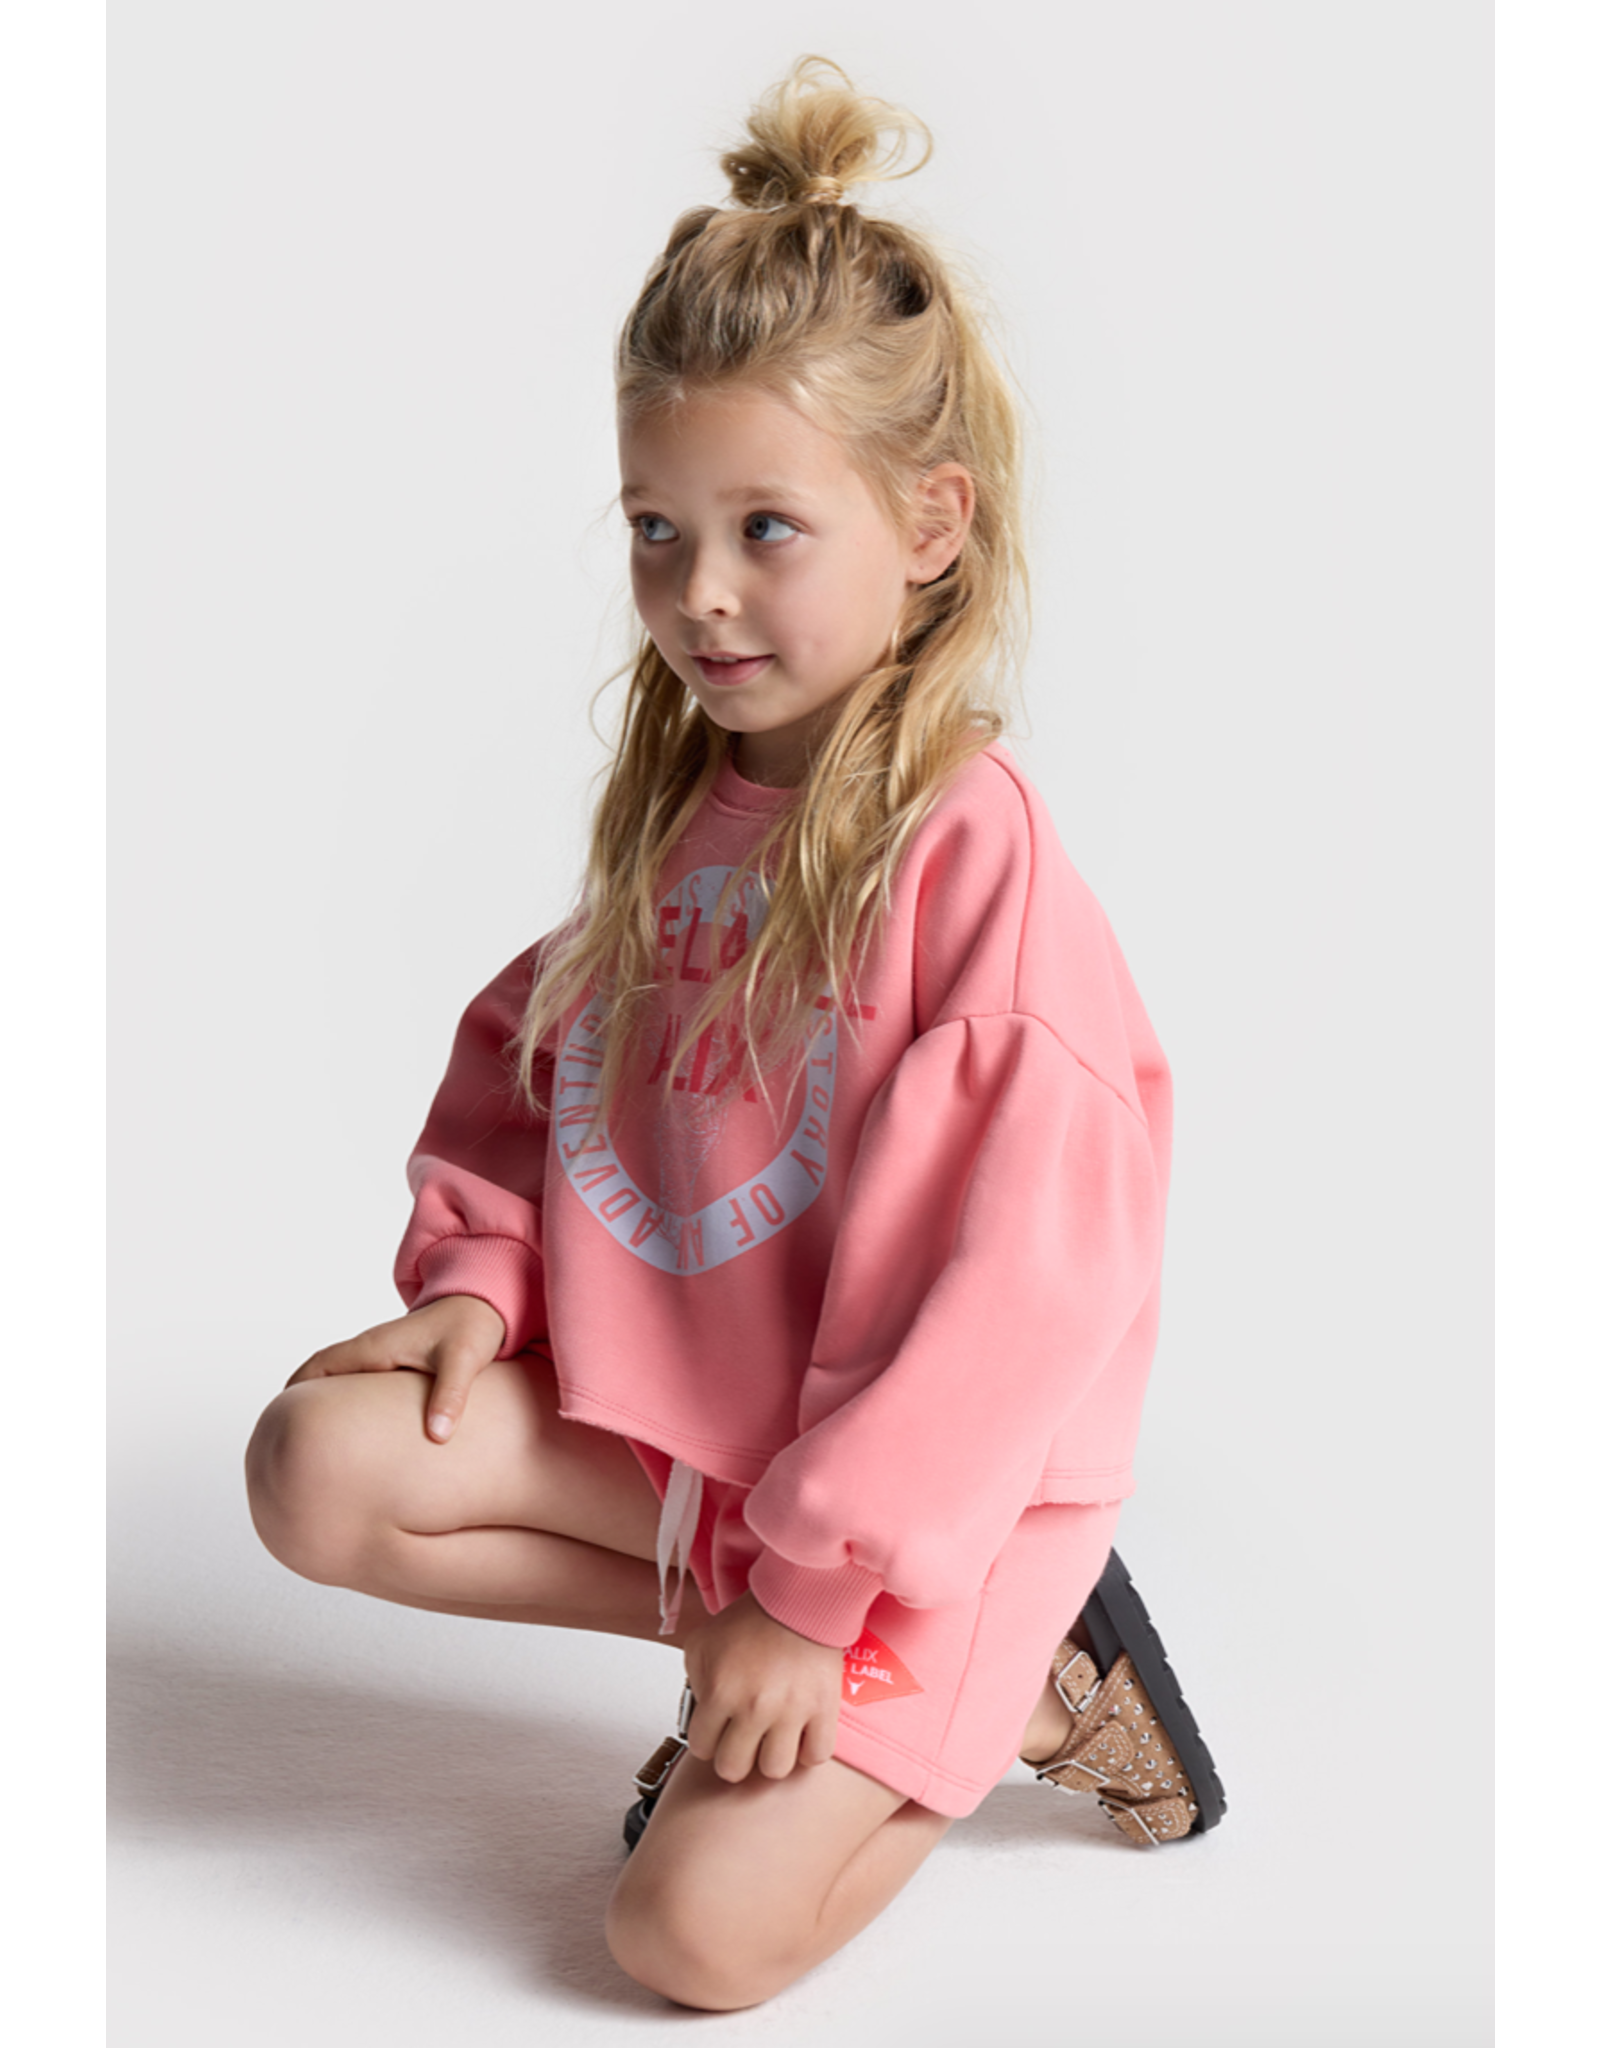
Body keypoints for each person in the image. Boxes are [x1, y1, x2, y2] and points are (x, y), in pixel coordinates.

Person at [244, 56, 1223, 2012]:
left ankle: (1024, 1673)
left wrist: (819, 1588)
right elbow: (535, 1052)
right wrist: (482, 1279)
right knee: (316, 1465)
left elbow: (1018, 1293)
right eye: (654, 528)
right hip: (726, 1457)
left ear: (929, 521)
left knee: (682, 1939)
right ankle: (752, 1651)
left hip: (921, 1497)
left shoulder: (965, 858)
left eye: (765, 528)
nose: (697, 595)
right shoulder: (690, 812)